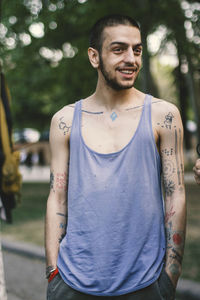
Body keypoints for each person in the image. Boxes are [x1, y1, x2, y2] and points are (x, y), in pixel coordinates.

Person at [45, 14, 186, 300]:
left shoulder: (164, 115)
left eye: (137, 50)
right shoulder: (65, 120)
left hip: (146, 283)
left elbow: (176, 195)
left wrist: (170, 275)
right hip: (72, 282)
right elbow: (56, 196)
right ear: (94, 56)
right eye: (119, 49)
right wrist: (52, 272)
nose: (131, 59)